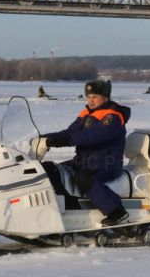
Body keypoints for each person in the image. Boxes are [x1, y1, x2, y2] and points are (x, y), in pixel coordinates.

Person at [31, 79, 132, 227]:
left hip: (107, 163)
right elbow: (69, 132)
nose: (91, 101)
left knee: (83, 177)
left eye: (95, 97)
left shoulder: (112, 117)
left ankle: (116, 212)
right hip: (84, 160)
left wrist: (63, 141)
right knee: (50, 169)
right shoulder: (87, 114)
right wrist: (46, 138)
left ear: (106, 97)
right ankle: (70, 205)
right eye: (88, 97)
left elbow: (93, 136)